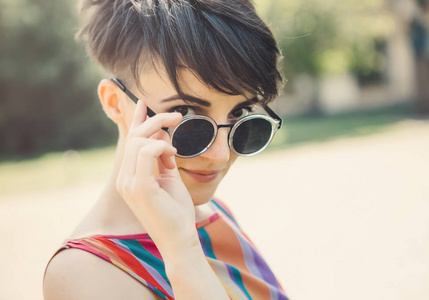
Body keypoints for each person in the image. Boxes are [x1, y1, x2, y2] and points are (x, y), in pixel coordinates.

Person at [43, 0, 287, 299]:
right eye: (185, 114)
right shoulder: (86, 274)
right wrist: (182, 253)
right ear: (114, 103)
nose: (221, 155)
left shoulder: (213, 213)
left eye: (241, 111)